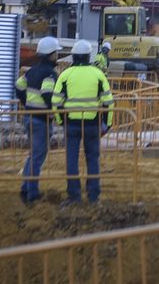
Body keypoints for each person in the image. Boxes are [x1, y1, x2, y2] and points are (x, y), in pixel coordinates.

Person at [52, 39, 114, 205]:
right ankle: (93, 196)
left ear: (73, 56)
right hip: (92, 124)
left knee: (71, 160)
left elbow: (56, 102)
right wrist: (107, 124)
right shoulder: (98, 75)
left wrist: (61, 121)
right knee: (92, 159)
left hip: (71, 124)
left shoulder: (65, 75)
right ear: (88, 56)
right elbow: (108, 102)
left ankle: (74, 196)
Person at [14, 36, 61, 204]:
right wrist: (53, 110)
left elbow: (19, 86)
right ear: (51, 54)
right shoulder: (50, 74)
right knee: (38, 156)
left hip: (29, 117)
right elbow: (47, 93)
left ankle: (26, 188)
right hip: (41, 120)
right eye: (56, 52)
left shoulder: (31, 71)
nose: (57, 55)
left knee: (33, 154)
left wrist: (26, 103)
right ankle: (32, 194)